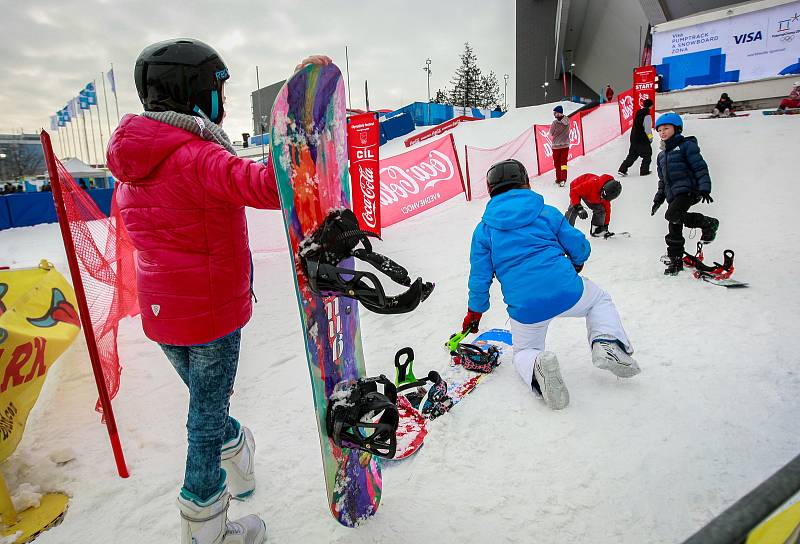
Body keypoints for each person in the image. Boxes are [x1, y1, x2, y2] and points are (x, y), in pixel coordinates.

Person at [107, 37, 330, 544]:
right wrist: (302, 121)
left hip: (163, 314)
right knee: (203, 420)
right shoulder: (196, 156)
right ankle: (206, 526)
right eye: (217, 90)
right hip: (210, 316)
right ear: (194, 92)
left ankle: (238, 450)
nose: (222, 104)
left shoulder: (133, 161)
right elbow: (273, 189)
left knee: (206, 405)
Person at [461, 159, 639, 411]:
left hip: (525, 307)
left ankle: (536, 365)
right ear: (526, 183)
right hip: (567, 290)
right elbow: (579, 245)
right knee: (598, 300)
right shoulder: (546, 212)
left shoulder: (484, 230)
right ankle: (606, 341)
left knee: (524, 351)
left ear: (491, 191)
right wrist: (577, 264)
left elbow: (480, 277)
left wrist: (475, 313)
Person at [651, 113, 719, 276]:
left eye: (666, 128)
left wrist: (704, 188)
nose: (662, 132)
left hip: (689, 190)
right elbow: (663, 181)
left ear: (677, 128)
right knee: (674, 225)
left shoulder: (686, 146)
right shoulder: (661, 155)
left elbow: (700, 167)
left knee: (672, 215)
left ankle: (708, 223)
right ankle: (675, 260)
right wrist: (658, 199)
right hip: (673, 195)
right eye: (659, 130)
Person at [565, 173, 622, 238]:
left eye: (605, 198)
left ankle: (596, 230)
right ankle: (566, 229)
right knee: (573, 208)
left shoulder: (605, 198)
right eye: (603, 194)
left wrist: (605, 226)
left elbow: (607, 211)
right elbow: (574, 192)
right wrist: (579, 208)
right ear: (603, 188)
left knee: (601, 209)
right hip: (577, 188)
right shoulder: (592, 184)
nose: (602, 197)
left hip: (592, 195)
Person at [618, 98, 653, 176]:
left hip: (634, 138)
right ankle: (644, 171)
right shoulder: (647, 116)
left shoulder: (638, 114)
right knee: (647, 154)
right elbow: (647, 129)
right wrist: (650, 138)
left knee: (632, 155)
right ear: (651, 106)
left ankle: (622, 169)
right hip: (642, 140)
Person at [549, 105, 570, 186]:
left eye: (555, 113)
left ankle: (559, 179)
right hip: (565, 146)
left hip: (556, 146)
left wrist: (555, 134)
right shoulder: (568, 121)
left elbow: (551, 133)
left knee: (557, 164)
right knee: (563, 164)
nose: (555, 115)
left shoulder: (554, 123)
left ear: (559, 113)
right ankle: (563, 179)